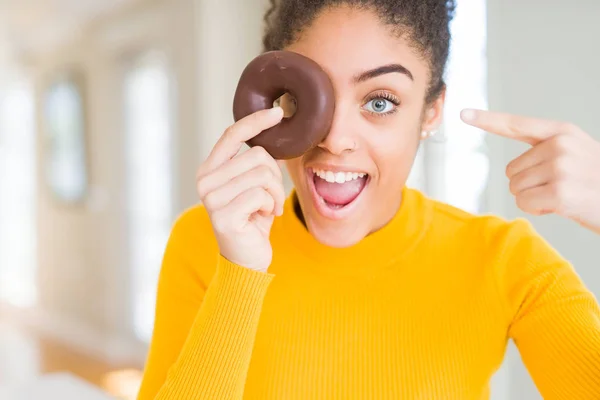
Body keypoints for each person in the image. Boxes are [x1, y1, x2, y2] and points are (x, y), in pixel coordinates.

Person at [137, 1, 600, 399]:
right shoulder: (204, 243)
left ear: (430, 112)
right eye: (306, 98)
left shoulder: (506, 262)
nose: (336, 139)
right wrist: (238, 276)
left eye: (379, 102)